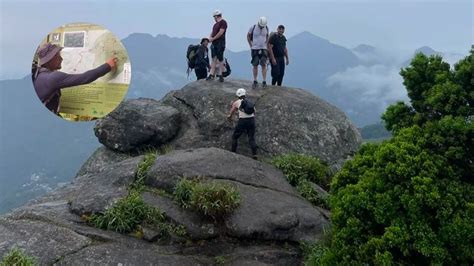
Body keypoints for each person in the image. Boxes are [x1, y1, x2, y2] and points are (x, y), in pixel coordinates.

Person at [33, 43, 117, 115]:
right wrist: (108, 66)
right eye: (58, 56)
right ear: (51, 59)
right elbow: (84, 78)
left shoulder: (40, 74)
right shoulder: (52, 78)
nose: (61, 59)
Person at [227, 88, 258, 159]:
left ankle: (233, 152)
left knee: (235, 137)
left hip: (242, 121)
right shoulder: (250, 102)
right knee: (251, 138)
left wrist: (229, 117)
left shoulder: (236, 102)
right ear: (245, 94)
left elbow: (231, 112)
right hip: (251, 120)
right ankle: (255, 154)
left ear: (237, 95)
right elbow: (255, 111)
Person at [247, 17, 269, 89]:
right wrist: (251, 44)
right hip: (255, 48)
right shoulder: (253, 27)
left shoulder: (266, 28)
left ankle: (264, 81)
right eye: (261, 25)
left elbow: (267, 36)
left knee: (263, 64)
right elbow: (248, 35)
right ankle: (255, 80)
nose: (262, 27)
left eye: (263, 26)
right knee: (255, 64)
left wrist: (266, 44)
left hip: (263, 48)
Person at [207, 9, 228, 82]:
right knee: (214, 58)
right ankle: (211, 74)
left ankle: (220, 75)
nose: (214, 19)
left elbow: (221, 32)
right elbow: (212, 32)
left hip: (220, 43)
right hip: (214, 43)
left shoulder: (223, 22)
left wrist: (212, 39)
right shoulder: (215, 24)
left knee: (220, 58)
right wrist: (209, 38)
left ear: (216, 16)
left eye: (214, 17)